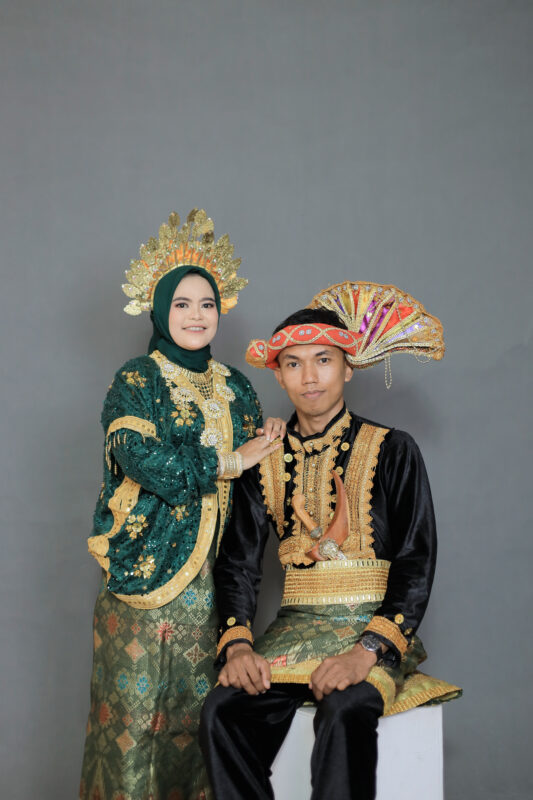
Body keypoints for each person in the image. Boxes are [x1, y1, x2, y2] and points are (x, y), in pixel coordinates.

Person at [200, 281, 461, 800]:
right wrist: (238, 644)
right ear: (278, 374)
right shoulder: (262, 458)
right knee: (221, 711)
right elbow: (238, 564)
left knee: (343, 710)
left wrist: (368, 652)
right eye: (293, 364)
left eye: (323, 360)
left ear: (348, 367)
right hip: (292, 632)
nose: (309, 376)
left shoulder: (394, 449)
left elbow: (416, 560)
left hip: (371, 629)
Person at [80, 210, 285, 800]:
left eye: (207, 304)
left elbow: (257, 481)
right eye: (182, 304)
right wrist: (230, 460)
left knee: (196, 731)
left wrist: (271, 439)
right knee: (132, 726)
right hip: (145, 580)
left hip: (212, 589)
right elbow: (140, 459)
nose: (197, 315)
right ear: (159, 310)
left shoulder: (235, 386)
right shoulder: (138, 380)